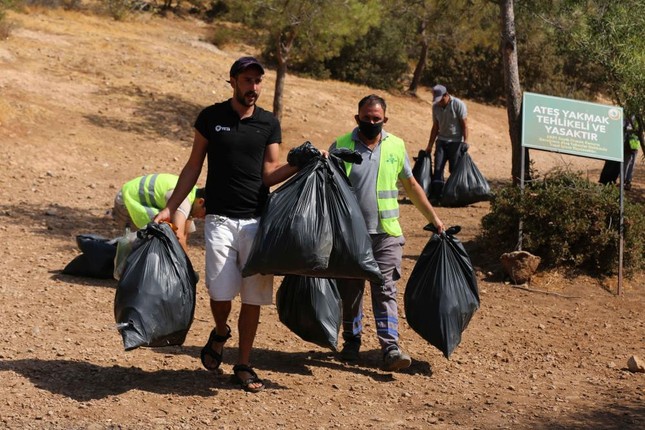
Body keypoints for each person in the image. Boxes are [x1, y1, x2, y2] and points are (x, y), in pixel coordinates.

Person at [154, 56, 318, 393]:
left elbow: (270, 175)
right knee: (219, 291)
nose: (254, 88)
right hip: (219, 219)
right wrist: (171, 208)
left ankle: (243, 364)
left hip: (258, 221)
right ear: (232, 81)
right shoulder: (211, 118)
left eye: (258, 81)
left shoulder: (268, 124)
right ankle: (220, 331)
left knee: (254, 297)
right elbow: (192, 167)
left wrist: (300, 163)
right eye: (247, 80)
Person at [330, 94, 445, 372]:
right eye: (366, 118)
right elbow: (327, 186)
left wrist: (434, 218)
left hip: (386, 234)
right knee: (351, 292)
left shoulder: (395, 146)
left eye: (376, 119)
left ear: (385, 120)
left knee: (385, 289)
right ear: (357, 118)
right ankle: (351, 341)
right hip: (351, 235)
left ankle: (390, 346)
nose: (371, 122)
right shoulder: (341, 145)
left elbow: (411, 185)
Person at [112, 173, 205, 251]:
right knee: (159, 235)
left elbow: (184, 235)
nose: (204, 218)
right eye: (205, 214)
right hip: (127, 201)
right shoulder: (184, 201)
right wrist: (187, 269)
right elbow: (179, 236)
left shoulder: (193, 196)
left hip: (139, 199)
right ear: (201, 202)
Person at [424, 84, 469, 200]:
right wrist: (429, 145)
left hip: (455, 142)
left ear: (446, 95)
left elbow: (464, 125)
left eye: (440, 99)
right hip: (441, 141)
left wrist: (465, 141)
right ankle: (436, 195)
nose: (439, 102)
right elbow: (435, 127)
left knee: (454, 169)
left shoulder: (458, 105)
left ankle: (454, 195)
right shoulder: (435, 107)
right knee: (438, 168)